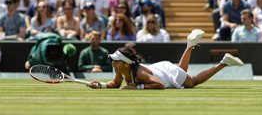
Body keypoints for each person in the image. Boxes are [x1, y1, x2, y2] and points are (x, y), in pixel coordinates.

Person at [89, 30, 244, 89]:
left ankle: (223, 63)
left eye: (116, 61)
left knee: (194, 81)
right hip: (162, 68)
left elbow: (160, 84)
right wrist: (101, 85)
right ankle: (190, 46)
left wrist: (137, 88)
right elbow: (116, 84)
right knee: (182, 70)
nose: (113, 63)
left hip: (165, 74)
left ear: (125, 63)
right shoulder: (121, 70)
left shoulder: (139, 74)